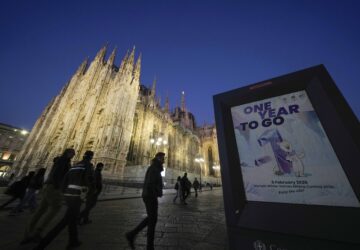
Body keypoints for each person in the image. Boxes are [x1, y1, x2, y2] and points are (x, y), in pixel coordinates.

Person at [33, 150, 95, 250]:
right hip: (77, 197)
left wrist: (64, 193)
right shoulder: (88, 166)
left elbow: (65, 180)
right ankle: (42, 244)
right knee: (65, 221)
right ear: (91, 157)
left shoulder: (75, 165)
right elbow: (90, 181)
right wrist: (90, 194)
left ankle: (73, 241)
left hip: (68, 196)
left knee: (72, 219)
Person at [21, 148, 75, 245]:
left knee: (40, 210)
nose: (74, 155)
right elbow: (57, 175)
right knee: (56, 208)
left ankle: (27, 233)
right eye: (73, 153)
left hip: (48, 186)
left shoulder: (59, 160)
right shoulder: (63, 161)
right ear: (68, 153)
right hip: (54, 188)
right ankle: (38, 231)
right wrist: (59, 187)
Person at [125, 152, 165, 250]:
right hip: (150, 196)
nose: (164, 160)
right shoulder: (154, 168)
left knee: (152, 219)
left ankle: (134, 235)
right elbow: (151, 183)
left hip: (150, 195)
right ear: (159, 158)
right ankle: (144, 243)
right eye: (163, 158)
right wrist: (157, 191)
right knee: (152, 219)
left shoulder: (155, 168)